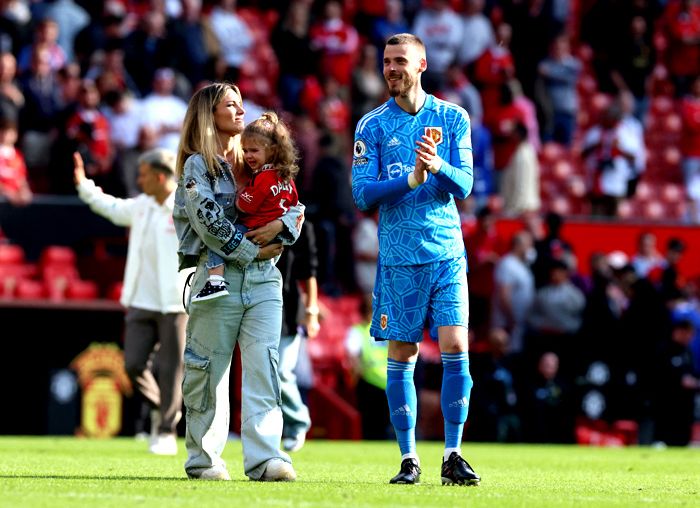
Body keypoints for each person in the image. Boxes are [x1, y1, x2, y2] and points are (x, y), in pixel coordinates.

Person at [351, 33, 480, 486]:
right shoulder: (372, 126)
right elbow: (362, 193)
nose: (392, 69)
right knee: (403, 354)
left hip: (446, 251)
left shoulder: (452, 117)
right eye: (387, 62)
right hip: (399, 258)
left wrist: (436, 167)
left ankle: (452, 453)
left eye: (400, 61)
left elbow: (464, 185)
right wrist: (409, 179)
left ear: (421, 64)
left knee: (456, 346)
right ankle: (409, 459)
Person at [172, 82, 305, 482]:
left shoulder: (261, 160)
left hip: (266, 280)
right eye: (231, 105)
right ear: (208, 115)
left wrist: (284, 227)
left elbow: (295, 204)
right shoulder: (198, 165)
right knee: (207, 371)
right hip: (220, 277)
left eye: (242, 103)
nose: (241, 111)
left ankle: (266, 458)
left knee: (265, 366)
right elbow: (207, 219)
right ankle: (205, 459)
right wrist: (253, 250)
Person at [73, 147, 186, 456]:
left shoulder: (185, 208)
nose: (138, 180)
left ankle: (165, 430)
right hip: (141, 300)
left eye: (144, 175)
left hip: (177, 303)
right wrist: (84, 185)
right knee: (133, 364)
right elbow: (109, 206)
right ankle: (164, 409)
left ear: (161, 178)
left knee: (171, 369)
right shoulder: (142, 206)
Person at [191, 111, 299, 303]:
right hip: (273, 236)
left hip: (251, 229)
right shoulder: (286, 177)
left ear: (273, 150)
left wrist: (240, 196)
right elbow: (294, 204)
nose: (248, 155)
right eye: (245, 150)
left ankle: (215, 281)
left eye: (254, 151)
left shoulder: (263, 177)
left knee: (218, 239)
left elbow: (244, 206)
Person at [278, 218, 320, 453]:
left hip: (289, 306)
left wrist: (312, 311)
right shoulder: (253, 212)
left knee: (282, 371)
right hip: (255, 299)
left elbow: (309, 271)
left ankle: (297, 422)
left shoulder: (301, 222)